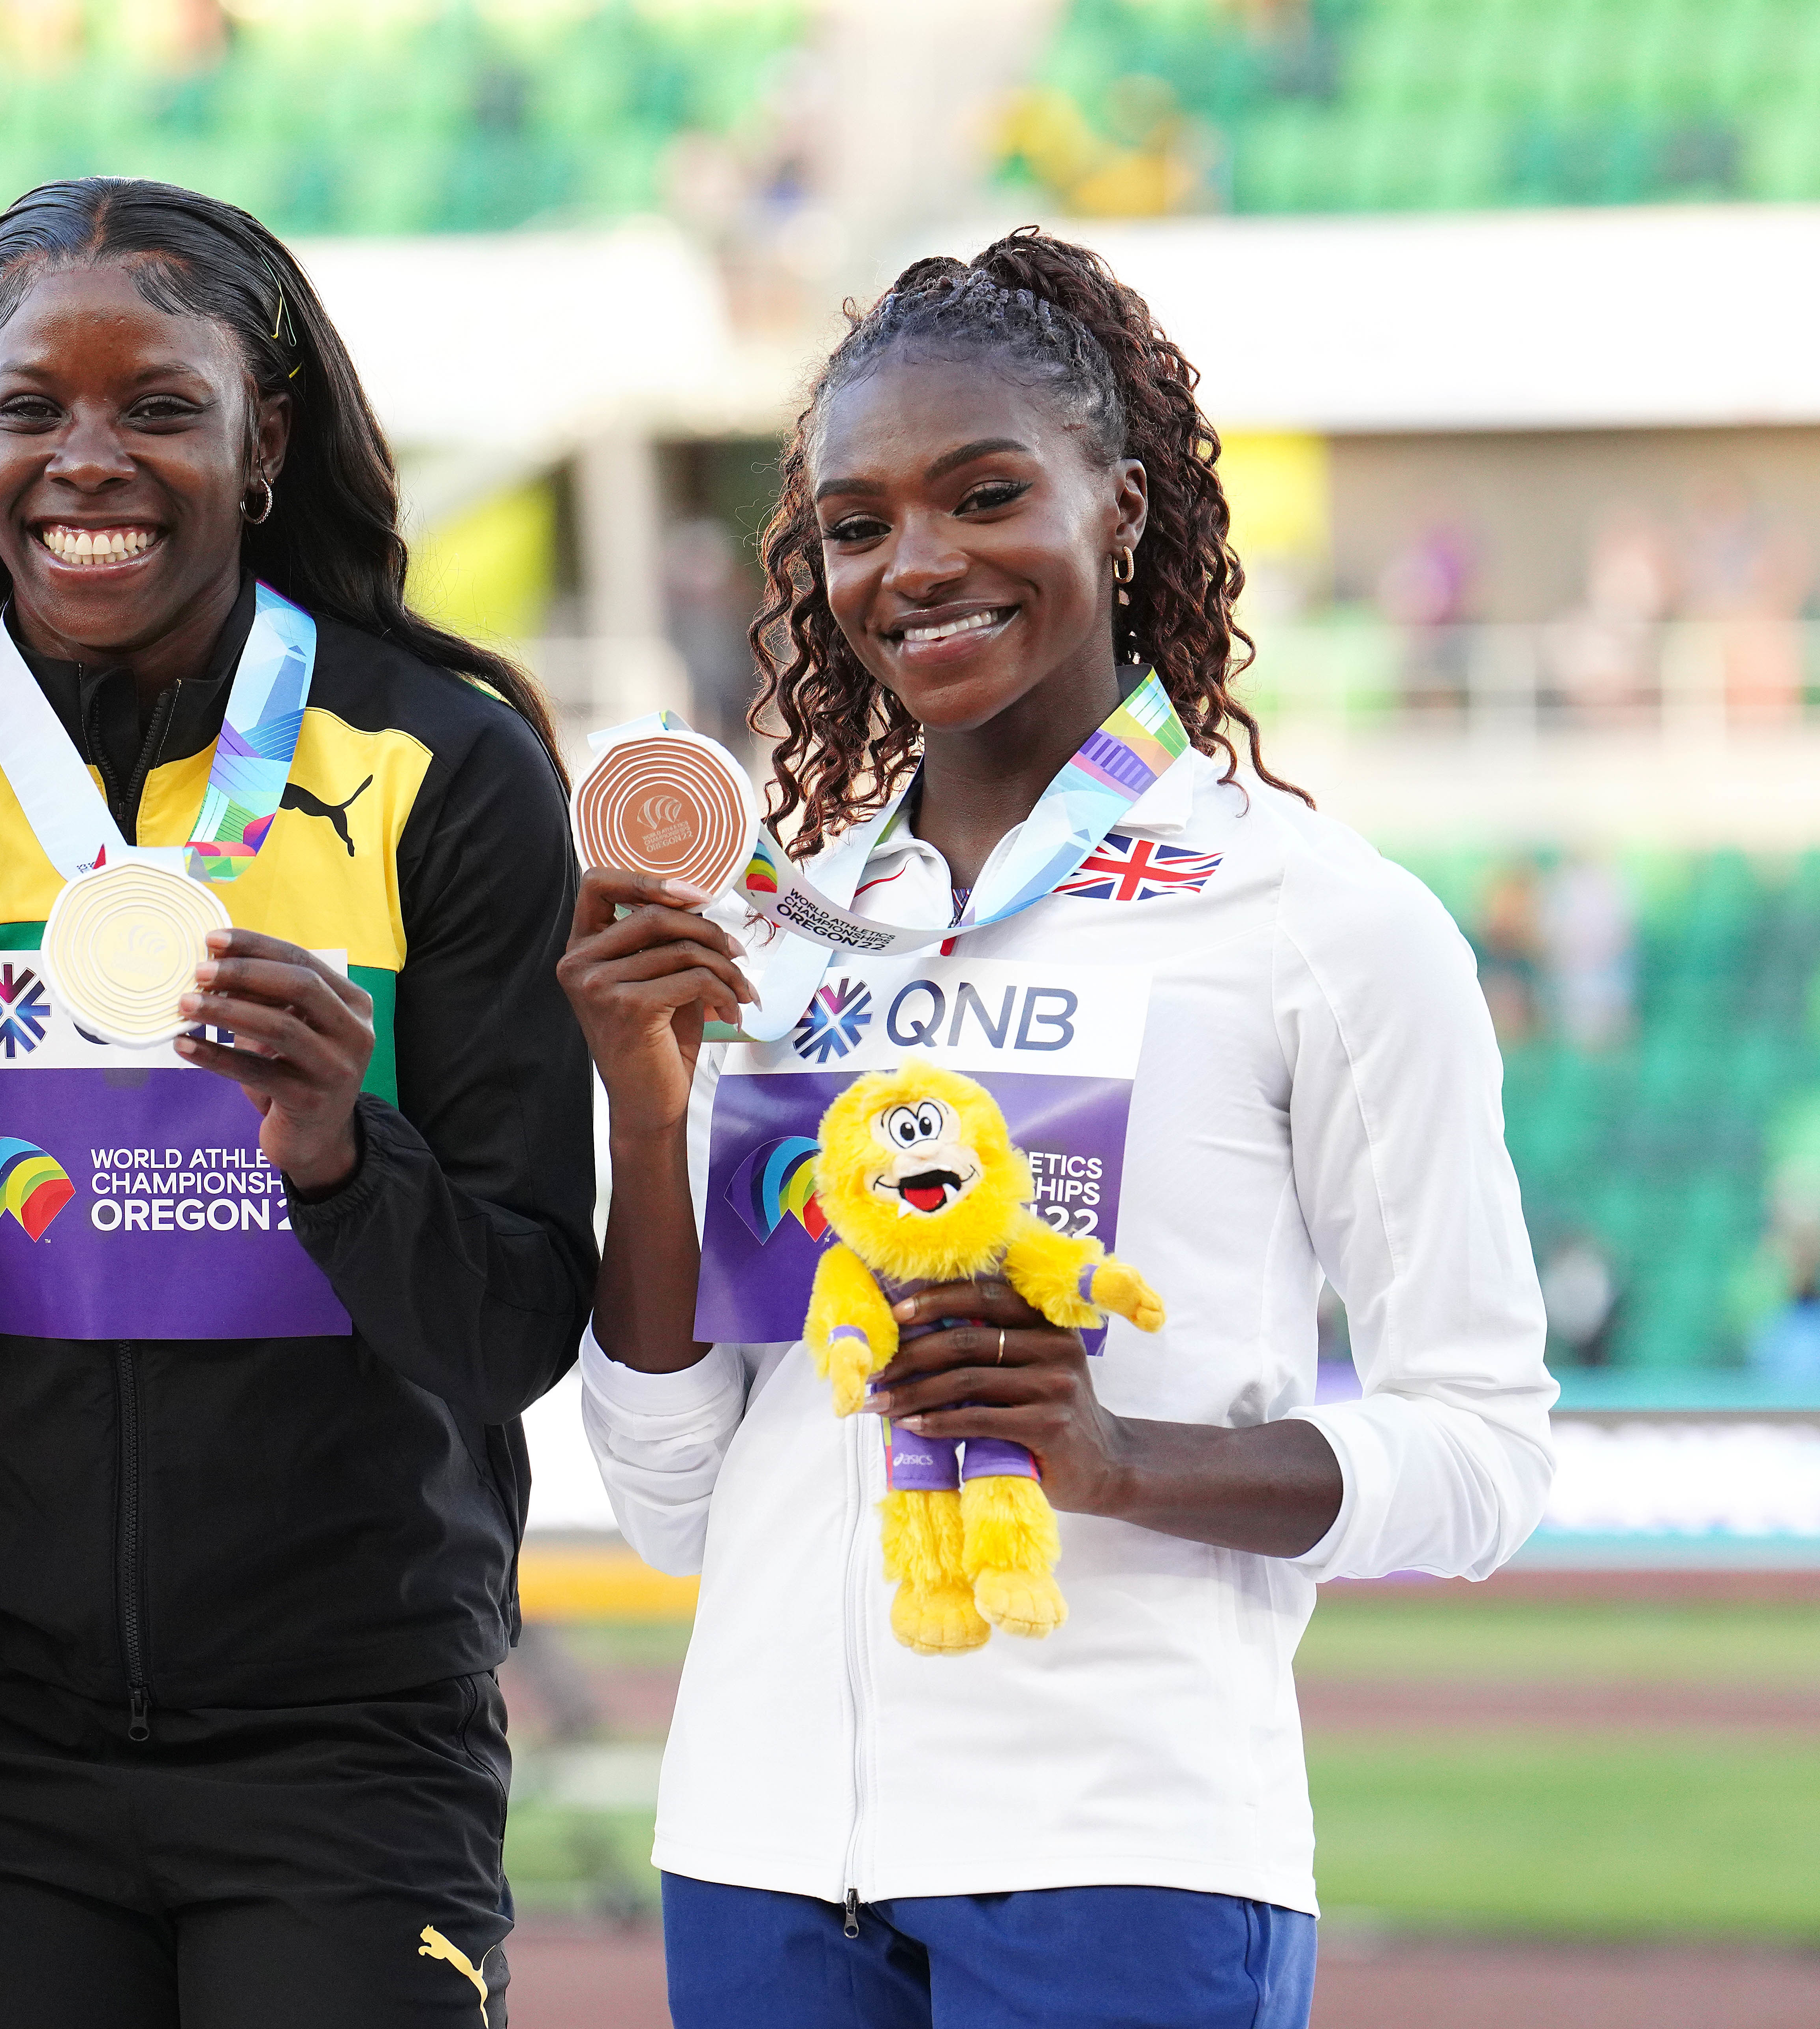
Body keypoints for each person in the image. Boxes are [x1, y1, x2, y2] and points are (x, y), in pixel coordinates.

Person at [557, 231, 1556, 2029]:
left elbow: (1483, 1452)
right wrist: (644, 1105)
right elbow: (676, 1495)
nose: (916, 564)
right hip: (758, 1853)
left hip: (1127, 1855)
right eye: (856, 525)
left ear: (1122, 505)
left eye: (985, 493)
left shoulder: (1319, 920)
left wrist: (1118, 1464)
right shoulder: (774, 936)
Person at [0, 178, 595, 2029]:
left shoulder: (446, 770)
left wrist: (345, 1159)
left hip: (347, 1746)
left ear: (263, 437)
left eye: (160, 407)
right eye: (30, 408)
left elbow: (518, 1317)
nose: (88, 462)